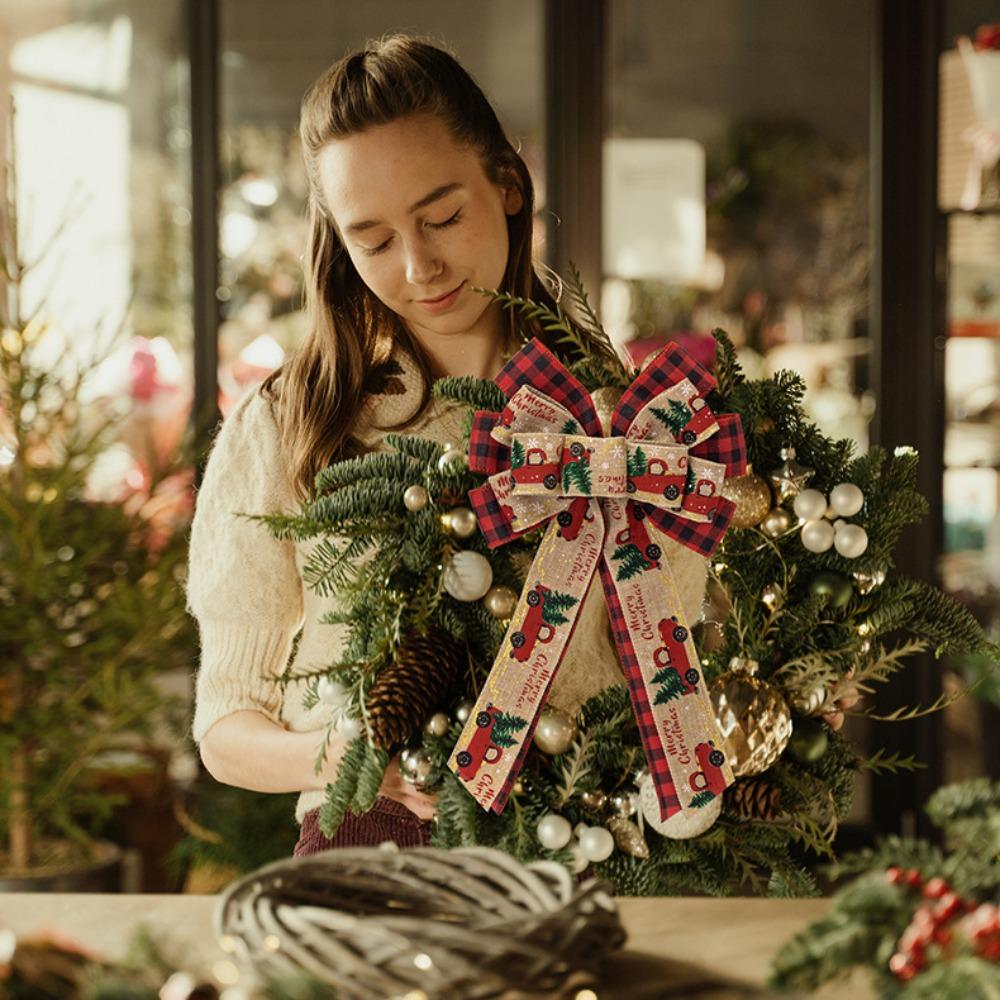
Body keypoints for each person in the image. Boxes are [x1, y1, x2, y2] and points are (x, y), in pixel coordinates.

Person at [186, 34, 599, 855]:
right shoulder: (291, 424)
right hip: (367, 866)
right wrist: (348, 760)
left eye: (443, 216)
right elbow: (225, 729)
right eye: (372, 241)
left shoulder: (609, 413)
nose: (419, 266)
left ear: (510, 185)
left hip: (591, 856)